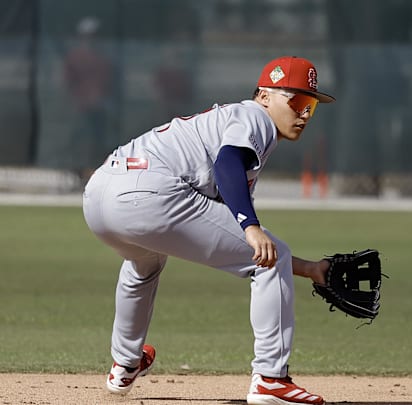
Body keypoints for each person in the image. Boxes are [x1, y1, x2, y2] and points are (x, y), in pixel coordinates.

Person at [82, 56, 334, 405]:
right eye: (296, 101)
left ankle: (125, 363)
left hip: (99, 195)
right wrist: (251, 225)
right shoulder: (254, 118)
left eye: (311, 105)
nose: (304, 113)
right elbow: (228, 162)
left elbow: (245, 238)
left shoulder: (228, 122)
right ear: (264, 96)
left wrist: (309, 269)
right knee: (271, 258)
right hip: (149, 192)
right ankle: (271, 379)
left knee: (144, 265)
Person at [63, 16, 114, 182]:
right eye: (89, 35)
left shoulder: (105, 57)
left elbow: (110, 84)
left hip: (100, 108)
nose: (92, 38)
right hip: (81, 108)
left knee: (98, 143)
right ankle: (76, 176)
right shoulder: (75, 56)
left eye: (95, 35)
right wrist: (77, 101)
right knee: (79, 142)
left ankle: (97, 176)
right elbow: (68, 82)